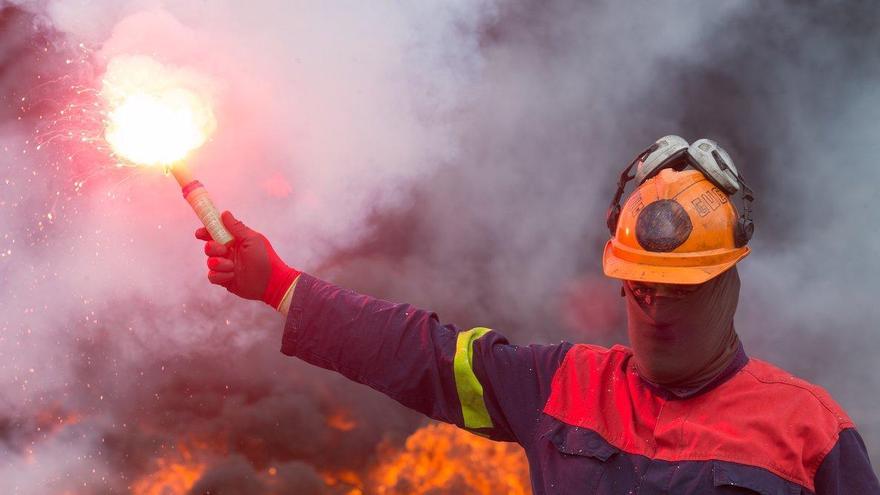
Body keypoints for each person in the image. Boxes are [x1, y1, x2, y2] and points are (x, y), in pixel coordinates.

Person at [195, 137, 880, 494]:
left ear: (727, 278)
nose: (655, 304)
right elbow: (422, 353)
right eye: (641, 284)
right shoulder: (564, 385)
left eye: (679, 287)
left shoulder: (810, 432)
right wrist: (280, 285)